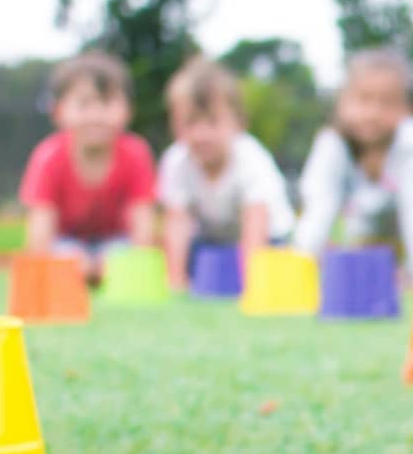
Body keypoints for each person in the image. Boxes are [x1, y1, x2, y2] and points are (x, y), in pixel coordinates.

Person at [294, 49, 413, 282]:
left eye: (387, 103)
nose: (373, 113)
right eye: (363, 99)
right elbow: (317, 208)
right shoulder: (332, 145)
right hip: (374, 230)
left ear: (407, 110)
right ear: (342, 102)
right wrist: (304, 264)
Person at [157, 59, 296, 288]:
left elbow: (256, 222)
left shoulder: (251, 158)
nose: (201, 134)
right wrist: (175, 278)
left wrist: (253, 284)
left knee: (277, 267)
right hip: (213, 240)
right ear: (175, 124)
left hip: (269, 239)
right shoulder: (176, 161)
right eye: (190, 123)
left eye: (213, 122)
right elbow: (177, 223)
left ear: (238, 123)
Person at [19, 51, 157, 278]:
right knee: (63, 255)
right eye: (84, 104)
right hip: (65, 247)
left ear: (128, 110)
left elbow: (143, 229)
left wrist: (129, 263)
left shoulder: (136, 153)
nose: (96, 115)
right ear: (58, 112)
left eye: (106, 103)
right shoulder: (48, 157)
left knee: (122, 254)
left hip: (117, 247)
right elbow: (39, 236)